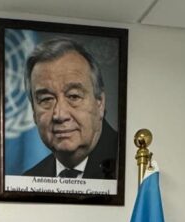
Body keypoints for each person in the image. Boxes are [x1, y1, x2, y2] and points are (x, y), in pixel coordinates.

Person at [21, 38, 118, 180]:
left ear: (100, 103)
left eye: (73, 96)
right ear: (34, 113)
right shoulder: (29, 179)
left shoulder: (130, 167)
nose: (60, 115)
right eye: (46, 99)